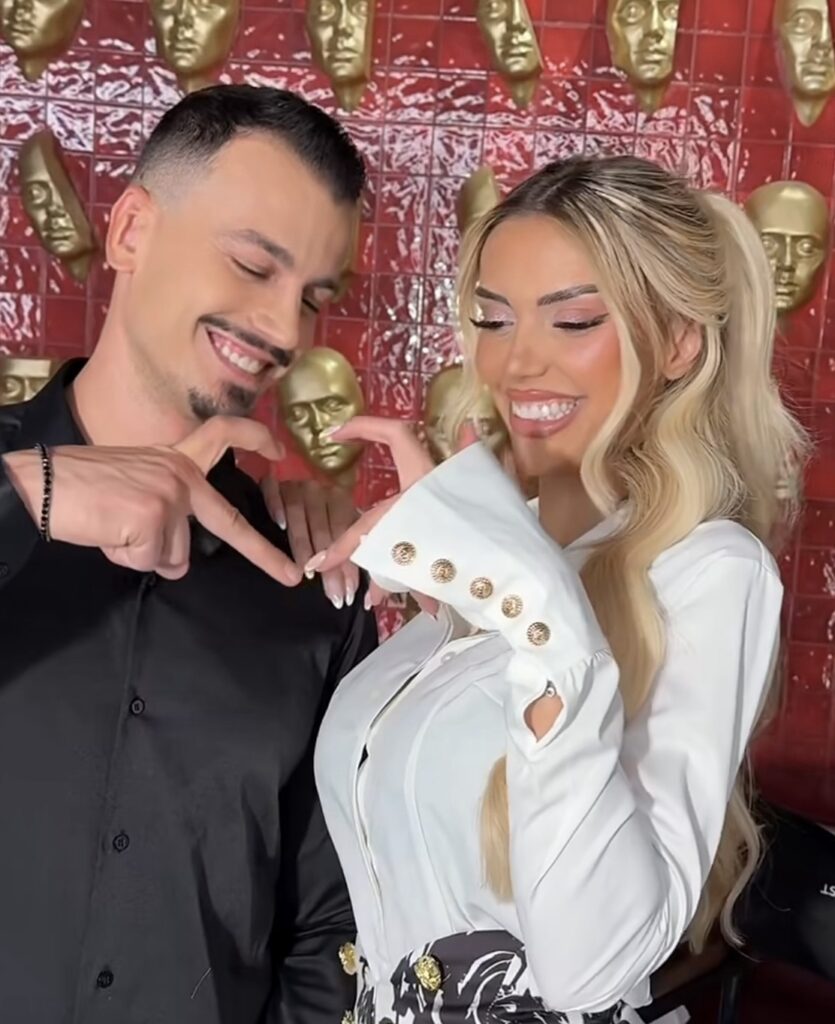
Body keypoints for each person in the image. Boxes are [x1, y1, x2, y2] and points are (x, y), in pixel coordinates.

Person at [307, 155, 810, 1022]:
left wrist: (517, 588)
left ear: (679, 343)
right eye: (492, 319)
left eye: (572, 320)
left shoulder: (710, 572)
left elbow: (593, 964)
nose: (517, 361)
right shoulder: (477, 573)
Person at [0, 85, 377, 1024]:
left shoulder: (311, 584)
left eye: (312, 299)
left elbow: (327, 933)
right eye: (252, 264)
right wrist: (27, 495)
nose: (285, 332)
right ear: (131, 230)